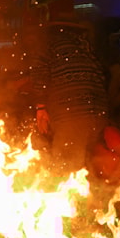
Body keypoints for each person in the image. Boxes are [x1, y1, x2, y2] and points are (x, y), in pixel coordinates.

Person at [28, 15, 109, 176]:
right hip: (97, 117)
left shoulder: (48, 44)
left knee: (66, 167)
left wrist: (41, 107)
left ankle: (70, 198)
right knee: (90, 168)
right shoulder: (86, 47)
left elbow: (39, 74)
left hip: (70, 117)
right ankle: (92, 198)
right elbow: (102, 78)